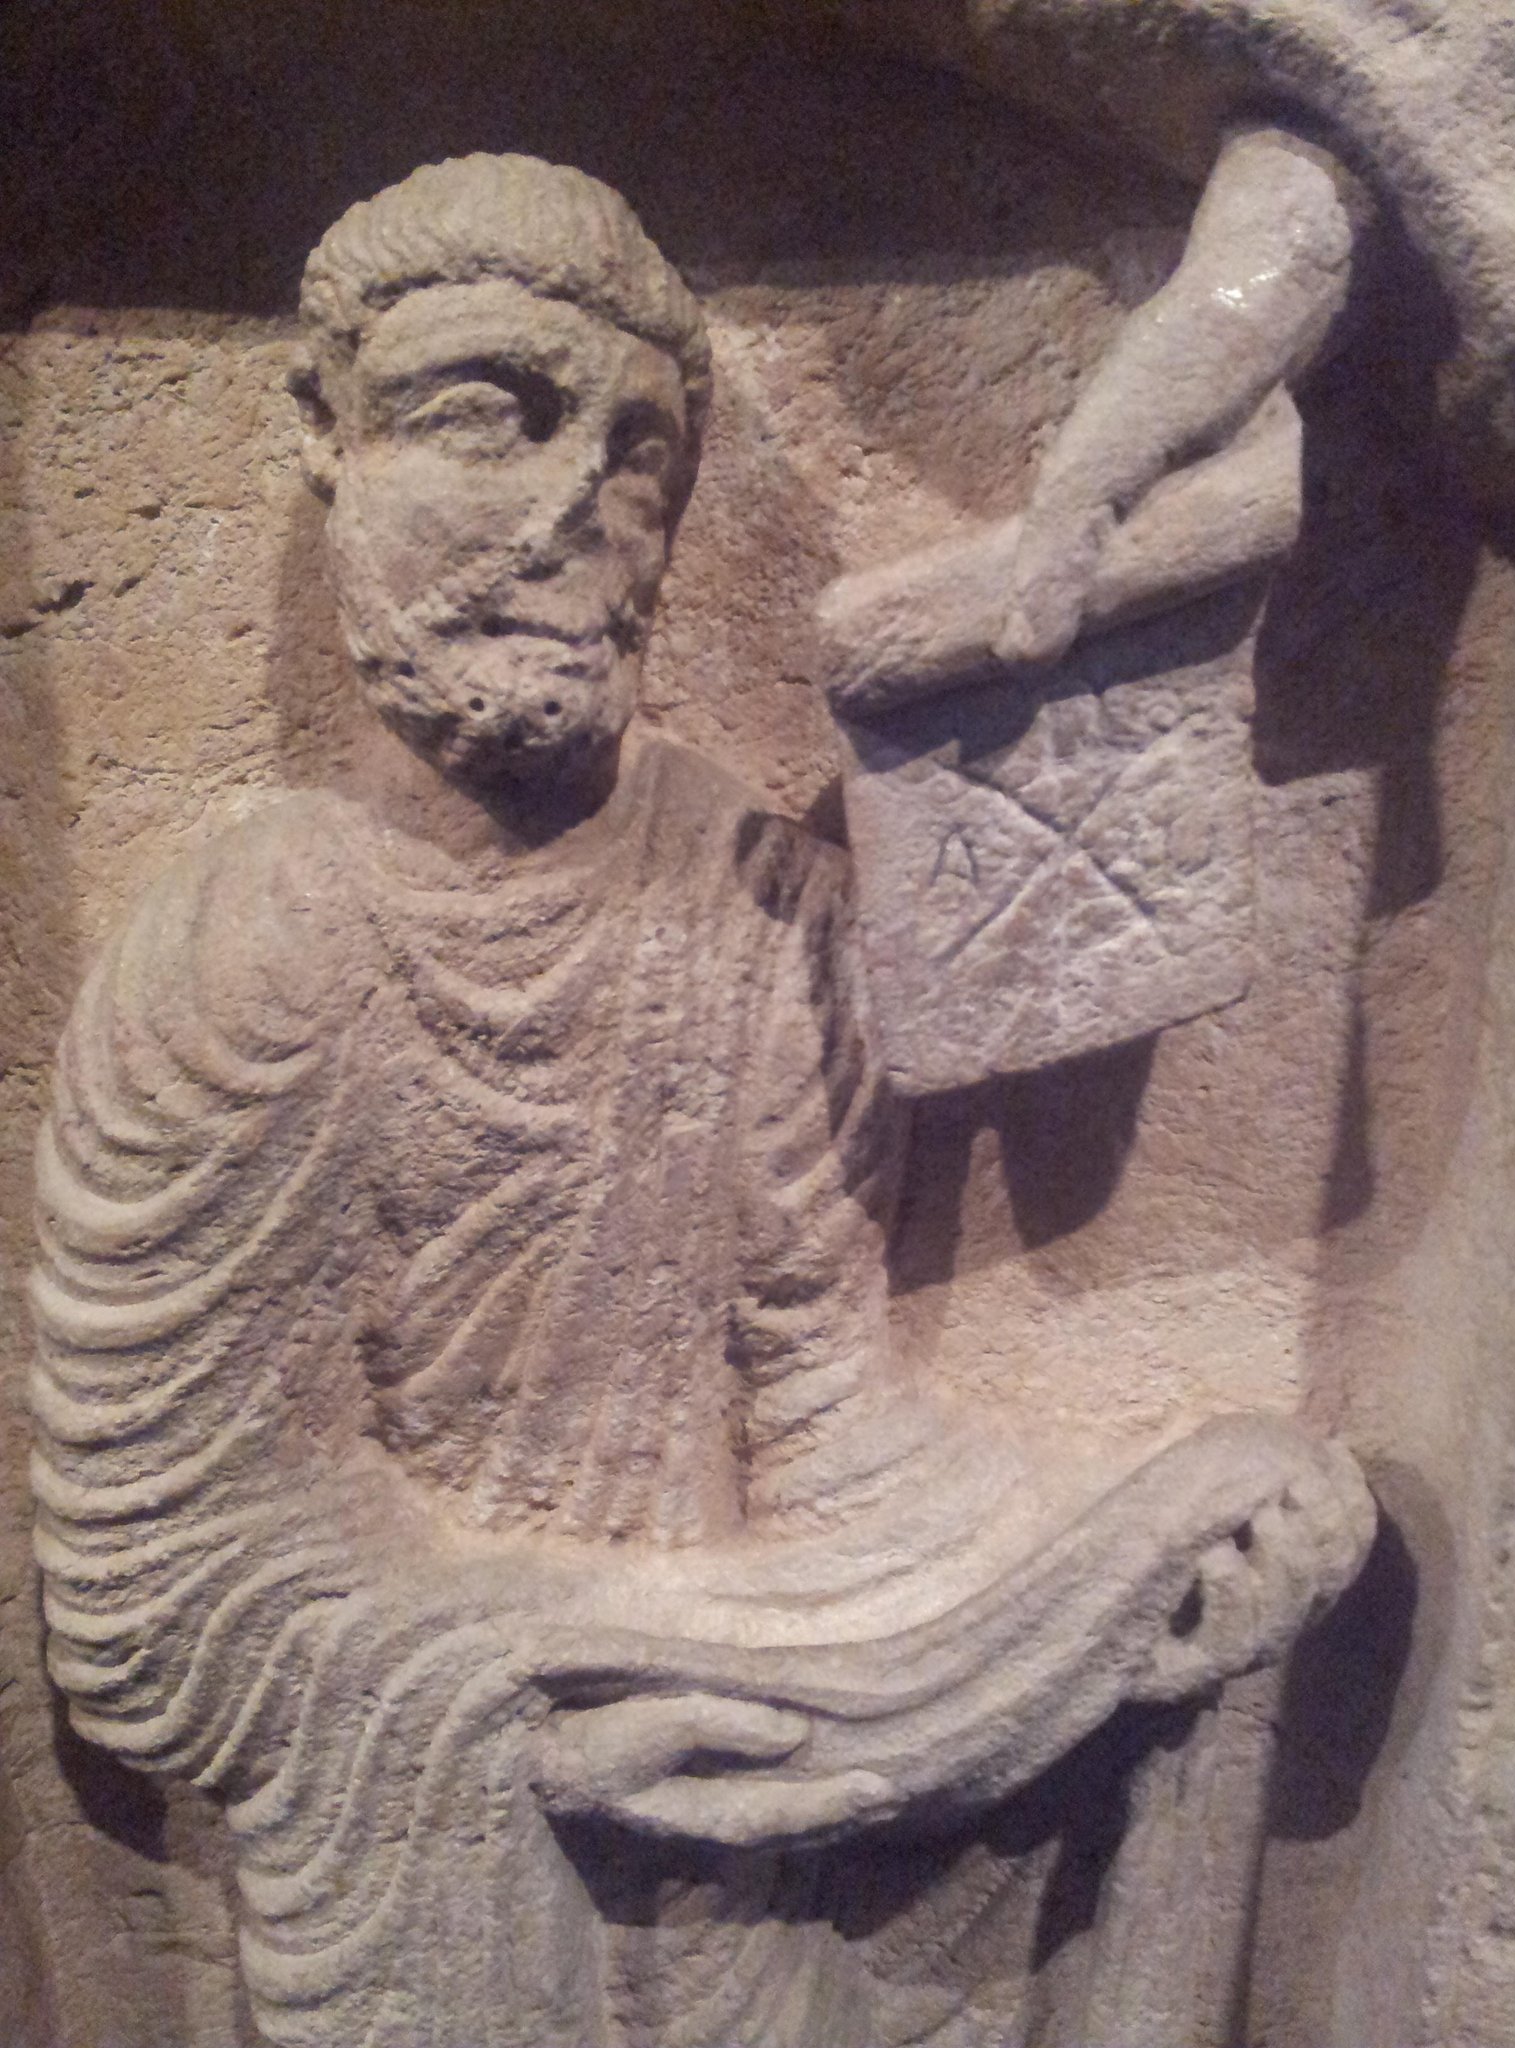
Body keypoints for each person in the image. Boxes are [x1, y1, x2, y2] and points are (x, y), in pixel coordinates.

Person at [31, 152, 1370, 2047]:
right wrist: (562, 1687)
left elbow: (825, 1424)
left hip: (739, 1811)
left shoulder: (760, 910)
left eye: (637, 456)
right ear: (326, 441)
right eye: (484, 415)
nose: (570, 514)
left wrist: (1125, 1554)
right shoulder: (245, 948)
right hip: (457, 1865)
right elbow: (145, 1584)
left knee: (1226, 1550)